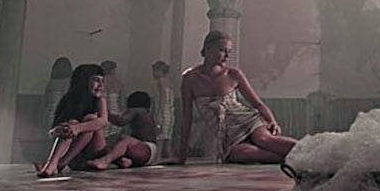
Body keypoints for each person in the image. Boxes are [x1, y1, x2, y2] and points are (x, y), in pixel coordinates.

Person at [174, 31, 297, 164]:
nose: (226, 56)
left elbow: (258, 104)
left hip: (248, 122)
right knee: (245, 155)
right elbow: (187, 117)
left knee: (264, 140)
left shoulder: (233, 74)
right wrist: (182, 157)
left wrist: (272, 121)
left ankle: (314, 151)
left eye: (229, 51)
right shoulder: (190, 78)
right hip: (227, 136)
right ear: (208, 49)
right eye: (222, 50)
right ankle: (299, 159)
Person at [34, 64, 109, 177]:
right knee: (72, 122)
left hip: (96, 155)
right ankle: (53, 163)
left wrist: (77, 128)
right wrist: (63, 129)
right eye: (96, 80)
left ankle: (59, 164)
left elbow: (103, 122)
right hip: (75, 157)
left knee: (90, 119)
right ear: (83, 82)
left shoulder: (100, 101)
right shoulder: (69, 100)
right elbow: (53, 132)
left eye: (102, 81)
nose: (101, 85)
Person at [87, 91, 159, 170]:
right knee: (118, 145)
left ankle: (105, 161)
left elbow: (121, 121)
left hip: (146, 148)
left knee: (125, 140)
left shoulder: (137, 110)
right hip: (146, 151)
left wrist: (105, 113)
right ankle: (124, 161)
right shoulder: (147, 113)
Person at [151, 60, 175, 160]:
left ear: (160, 71)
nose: (153, 73)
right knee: (167, 139)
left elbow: (162, 98)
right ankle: (169, 159)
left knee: (159, 138)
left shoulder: (161, 81)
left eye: (155, 71)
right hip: (170, 112)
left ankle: (157, 159)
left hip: (163, 112)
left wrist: (158, 114)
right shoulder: (170, 82)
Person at [41, 57, 72, 132]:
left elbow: (45, 104)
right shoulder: (72, 84)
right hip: (66, 121)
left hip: (49, 121)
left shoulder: (51, 84)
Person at [100, 60, 125, 140]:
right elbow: (122, 103)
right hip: (117, 114)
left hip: (104, 113)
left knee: (103, 138)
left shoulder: (101, 82)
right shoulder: (119, 83)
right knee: (114, 138)